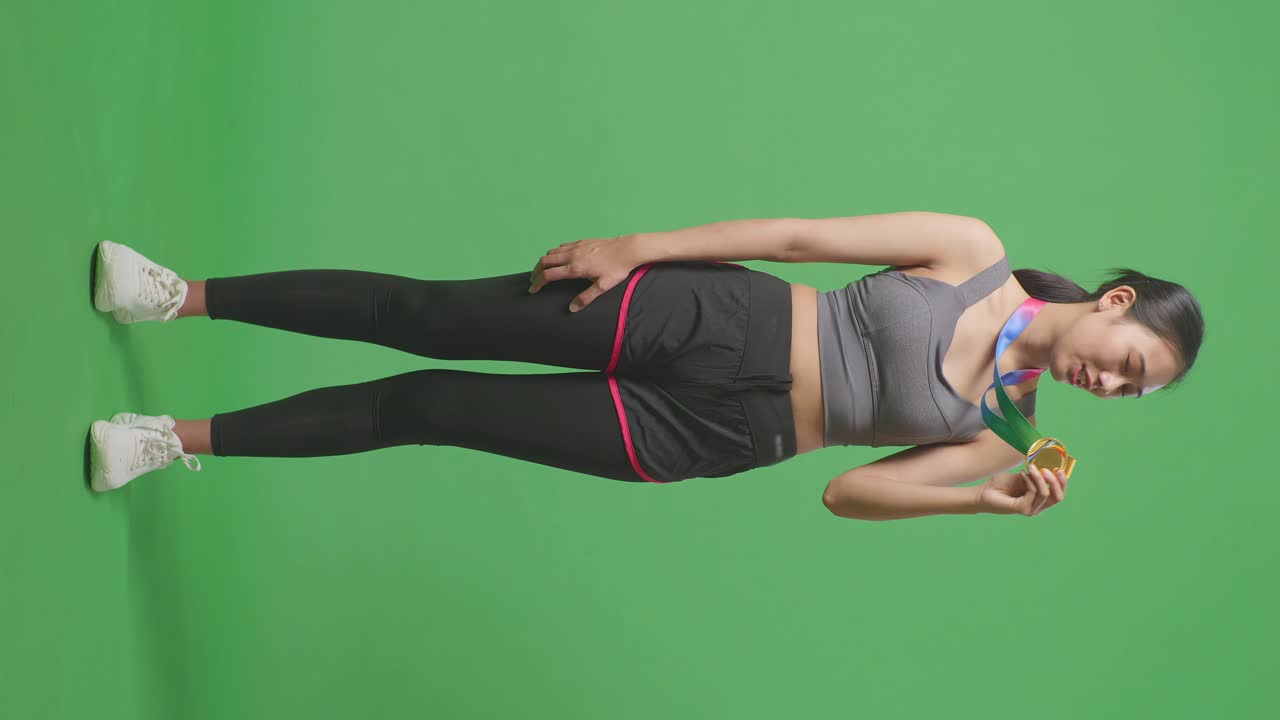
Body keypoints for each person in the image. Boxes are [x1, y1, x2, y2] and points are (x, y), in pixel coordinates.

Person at [86, 212, 1204, 520]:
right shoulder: (972, 252)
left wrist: (979, 501)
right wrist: (642, 248)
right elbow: (803, 237)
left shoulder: (996, 431)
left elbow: (845, 492)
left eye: (1129, 392)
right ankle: (175, 295)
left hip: (718, 437)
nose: (1108, 386)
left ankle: (166, 441)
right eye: (1126, 361)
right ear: (1114, 305)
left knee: (429, 407)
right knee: (426, 314)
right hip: (714, 317)